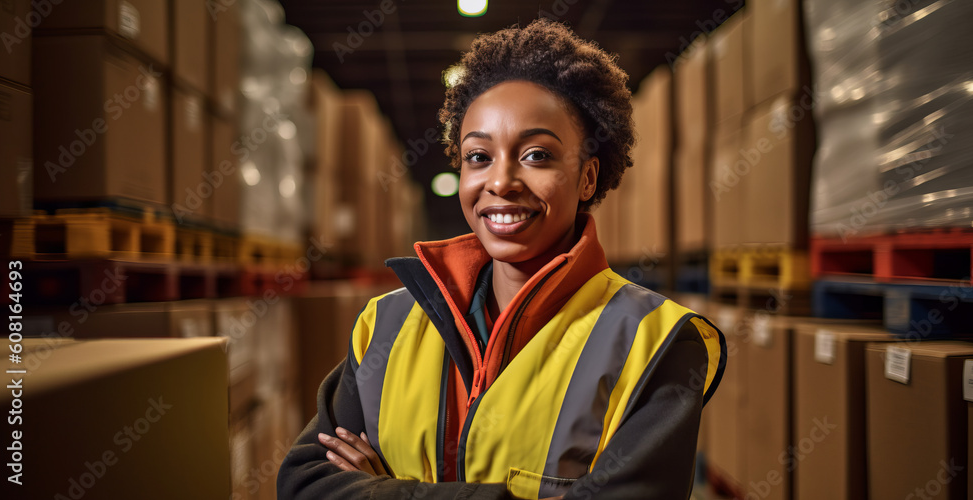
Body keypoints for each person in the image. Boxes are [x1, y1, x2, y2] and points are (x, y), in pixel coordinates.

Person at [277, 18, 726, 500]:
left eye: (536, 155)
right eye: (478, 156)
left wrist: (379, 489)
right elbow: (303, 484)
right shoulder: (386, 324)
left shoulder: (657, 343)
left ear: (588, 178)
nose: (500, 181)